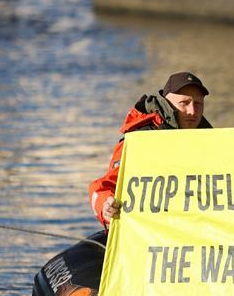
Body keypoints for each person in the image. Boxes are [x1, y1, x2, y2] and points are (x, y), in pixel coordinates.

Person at [88, 71, 212, 228]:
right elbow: (102, 187)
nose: (192, 111)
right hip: (150, 232)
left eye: (198, 104)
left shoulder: (210, 139)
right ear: (168, 104)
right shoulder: (141, 138)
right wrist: (106, 207)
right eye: (184, 103)